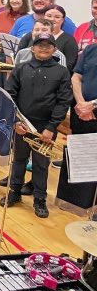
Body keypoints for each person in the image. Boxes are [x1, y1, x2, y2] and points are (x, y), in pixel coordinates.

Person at [2, 33, 72, 219]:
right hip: (22, 124)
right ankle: (15, 191)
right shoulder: (21, 68)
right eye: (40, 45)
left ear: (54, 49)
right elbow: (10, 95)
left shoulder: (61, 72)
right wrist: (15, 121)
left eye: (48, 45)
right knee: (19, 159)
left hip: (46, 126)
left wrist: (51, 127)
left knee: (41, 164)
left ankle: (39, 198)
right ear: (32, 48)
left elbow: (63, 101)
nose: (43, 48)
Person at [58, 42, 97, 212]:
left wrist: (93, 105)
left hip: (92, 109)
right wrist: (81, 102)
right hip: (81, 110)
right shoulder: (91, 49)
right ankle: (76, 202)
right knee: (79, 154)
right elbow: (76, 77)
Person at [9, 0, 77, 37]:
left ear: (51, 2)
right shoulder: (21, 21)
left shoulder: (62, 21)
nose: (39, 0)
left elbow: (76, 40)